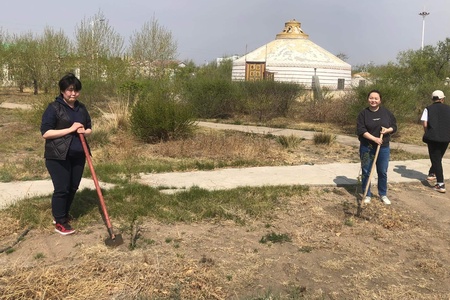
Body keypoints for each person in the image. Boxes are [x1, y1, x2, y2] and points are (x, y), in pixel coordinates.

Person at [40, 73, 92, 235]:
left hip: (78, 154)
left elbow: (89, 127)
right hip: (57, 156)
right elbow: (46, 133)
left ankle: (63, 214)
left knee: (73, 187)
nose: (73, 94)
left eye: (76, 90)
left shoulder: (81, 108)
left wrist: (85, 131)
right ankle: (60, 222)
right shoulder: (54, 108)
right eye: (70, 90)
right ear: (62, 91)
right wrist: (70, 129)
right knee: (62, 188)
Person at [357, 90, 397, 205]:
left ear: (380, 100)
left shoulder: (386, 113)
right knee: (366, 171)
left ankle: (383, 194)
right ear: (367, 99)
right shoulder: (363, 114)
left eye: (376, 98)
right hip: (367, 146)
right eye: (371, 98)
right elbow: (361, 130)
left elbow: (394, 126)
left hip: (383, 147)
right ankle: (367, 194)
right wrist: (374, 139)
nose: (373, 100)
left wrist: (387, 130)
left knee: (382, 171)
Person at [420, 90, 450, 193]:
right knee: (438, 157)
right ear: (442, 99)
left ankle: (440, 184)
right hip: (446, 138)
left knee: (436, 159)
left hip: (433, 138)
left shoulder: (428, 109)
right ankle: (432, 173)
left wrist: (427, 132)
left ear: (432, 99)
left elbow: (425, 123)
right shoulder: (448, 109)